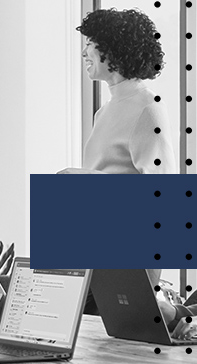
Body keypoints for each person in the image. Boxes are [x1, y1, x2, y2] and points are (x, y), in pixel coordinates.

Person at [59, 9, 177, 314]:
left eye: (91, 43)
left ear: (114, 48)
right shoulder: (106, 111)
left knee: (123, 345)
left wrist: (84, 179)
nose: (84, 51)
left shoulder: (148, 108)